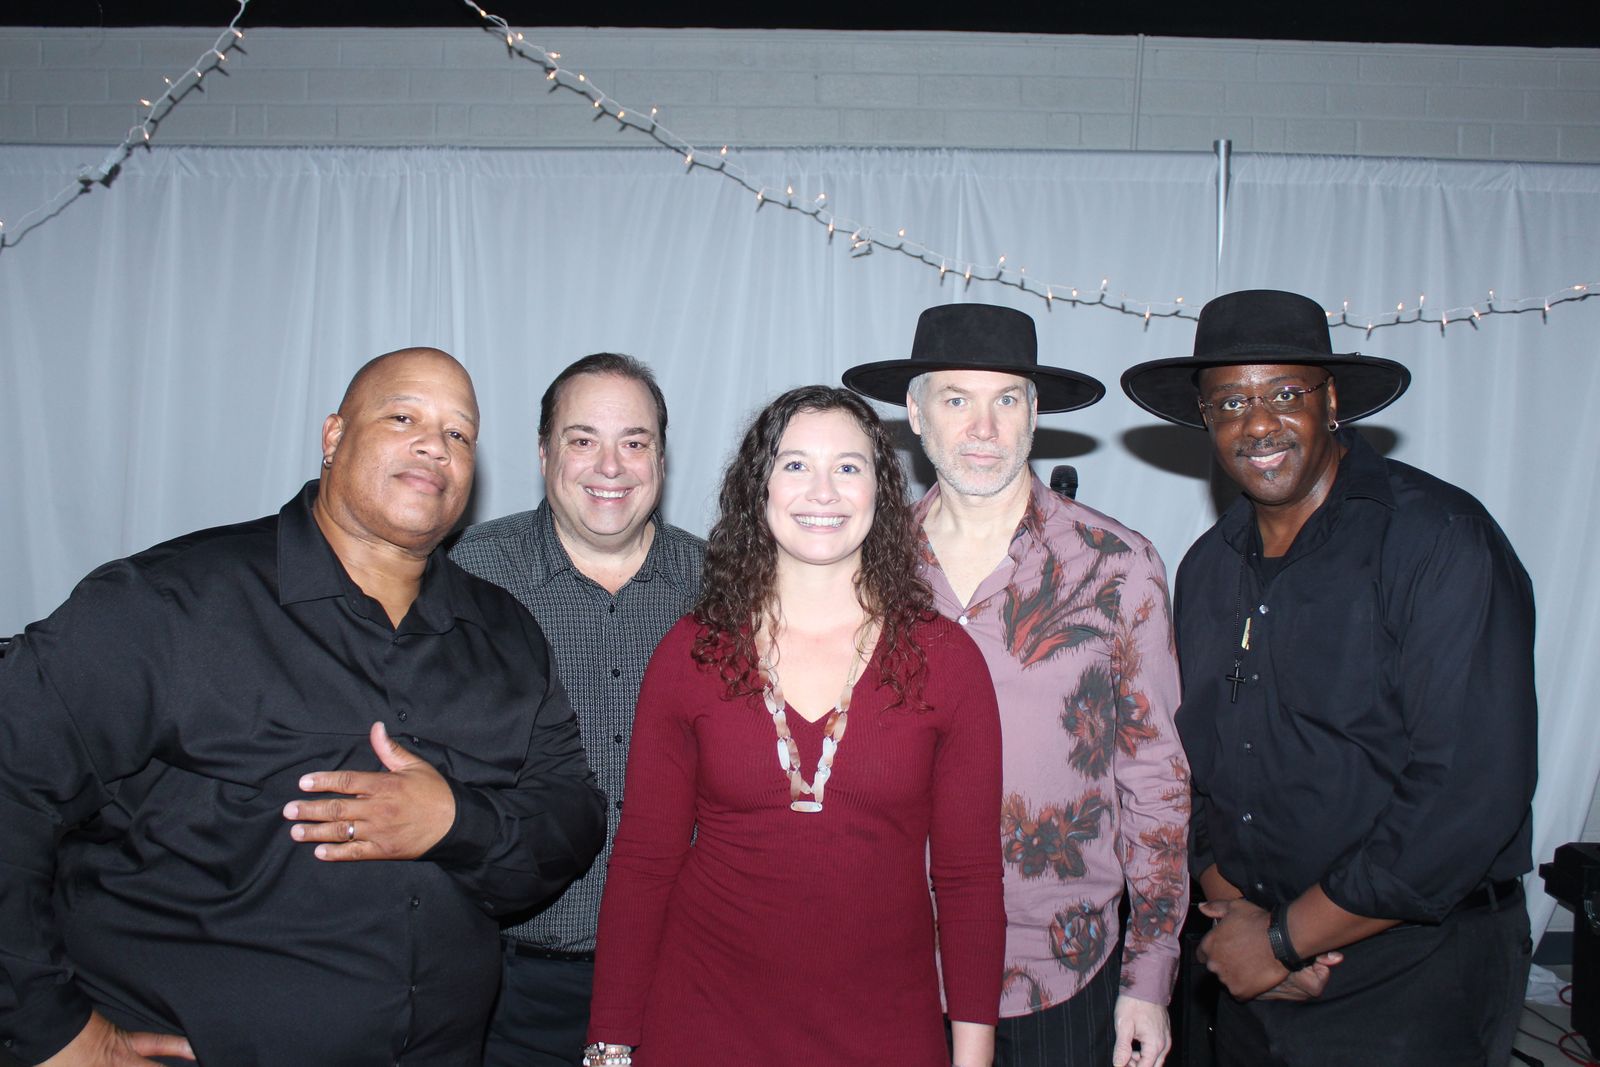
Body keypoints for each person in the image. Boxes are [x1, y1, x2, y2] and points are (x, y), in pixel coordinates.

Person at [0, 347, 606, 1066]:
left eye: (459, 433)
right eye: (403, 417)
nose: (434, 445)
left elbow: (571, 817)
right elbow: (12, 783)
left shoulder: (505, 635)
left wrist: (454, 822)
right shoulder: (171, 601)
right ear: (333, 436)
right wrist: (51, 1035)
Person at [1120, 288, 1537, 1065]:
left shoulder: (1439, 541)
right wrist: (1241, 920)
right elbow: (1194, 767)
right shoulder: (1206, 570)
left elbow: (1467, 794)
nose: (1258, 423)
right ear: (1206, 419)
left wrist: (1287, 938)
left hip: (1415, 972)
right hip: (1254, 970)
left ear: (1332, 400)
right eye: (1230, 402)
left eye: (1285, 393)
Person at [584, 386, 1006, 1067]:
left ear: (881, 489)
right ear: (761, 486)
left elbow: (969, 880)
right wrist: (608, 1046)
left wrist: (974, 1057)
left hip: (886, 1030)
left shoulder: (947, 660)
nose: (823, 491)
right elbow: (644, 863)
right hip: (701, 1024)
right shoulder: (693, 651)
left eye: (848, 466)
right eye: (796, 464)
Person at [843, 303, 1189, 1067]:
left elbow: (1156, 780)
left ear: (1034, 414)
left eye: (1006, 399)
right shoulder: (862, 566)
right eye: (956, 399)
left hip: (1060, 970)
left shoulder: (1117, 565)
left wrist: (1151, 973)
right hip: (891, 965)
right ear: (915, 415)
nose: (983, 426)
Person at [449, 353, 705, 1067]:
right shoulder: (468, 576)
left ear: (661, 458)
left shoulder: (722, 588)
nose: (611, 466)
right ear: (543, 453)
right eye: (583, 439)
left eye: (634, 441)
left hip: (682, 978)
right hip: (505, 986)